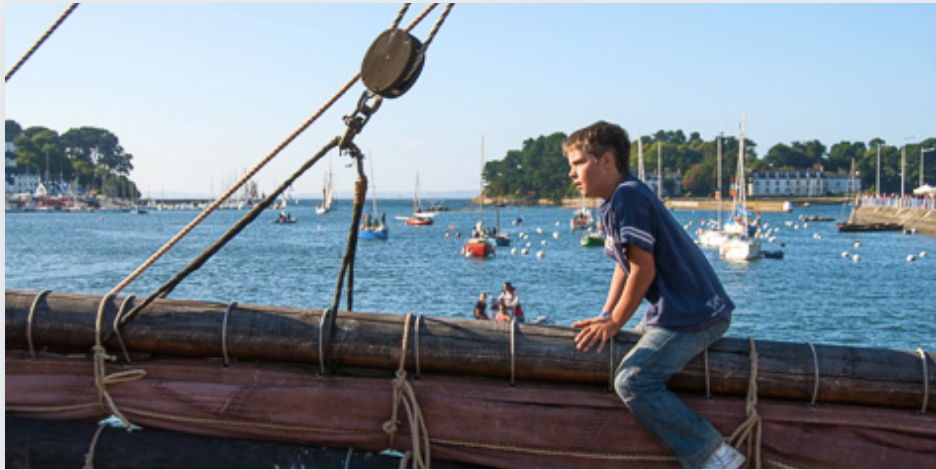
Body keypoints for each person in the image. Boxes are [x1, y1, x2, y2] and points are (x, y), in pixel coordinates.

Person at [563, 121, 743, 469]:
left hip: (693, 314)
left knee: (633, 381)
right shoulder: (614, 200)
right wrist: (606, 314)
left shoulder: (628, 196)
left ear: (607, 160)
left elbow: (644, 270)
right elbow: (624, 265)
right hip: (689, 310)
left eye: (579, 162)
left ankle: (714, 455)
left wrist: (616, 322)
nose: (572, 173)